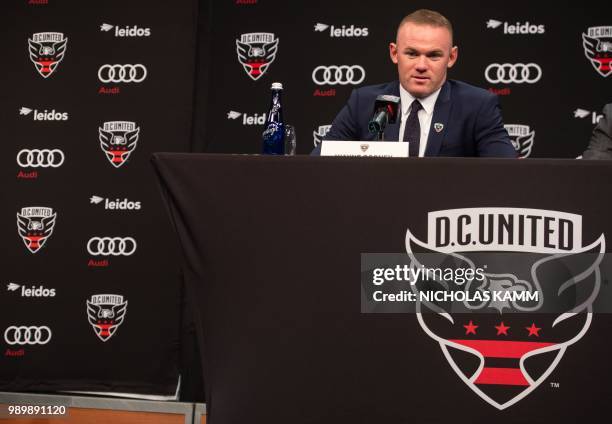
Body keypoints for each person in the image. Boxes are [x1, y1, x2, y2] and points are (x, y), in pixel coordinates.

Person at [315, 9, 516, 157]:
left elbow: (505, 172)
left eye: (434, 55)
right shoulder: (364, 102)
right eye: (411, 53)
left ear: (452, 57)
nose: (421, 65)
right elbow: (317, 163)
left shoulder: (478, 105)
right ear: (394, 53)